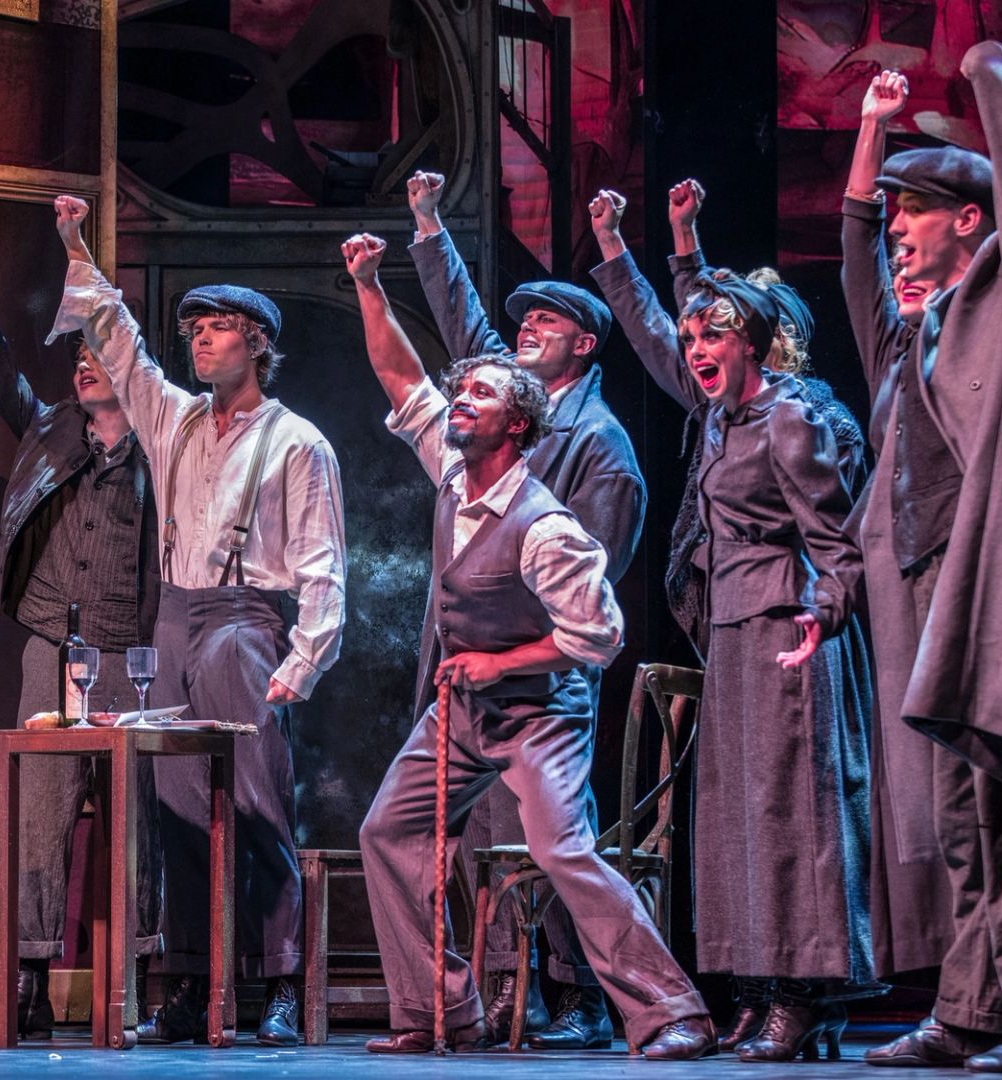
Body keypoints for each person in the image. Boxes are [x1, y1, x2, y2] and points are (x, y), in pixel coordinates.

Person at [341, 232, 712, 1059]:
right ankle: (441, 1010)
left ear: (516, 423)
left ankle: (673, 1011)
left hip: (541, 711)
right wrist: (368, 284)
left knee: (561, 848)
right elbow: (400, 375)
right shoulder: (451, 471)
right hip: (464, 712)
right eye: (461, 391)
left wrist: (502, 663)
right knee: (387, 831)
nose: (459, 401)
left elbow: (598, 635)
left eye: (478, 394)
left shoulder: (545, 526)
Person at [842, 45, 1002, 1074]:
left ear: (969, 222)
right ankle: (970, 1009)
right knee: (959, 819)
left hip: (998, 589)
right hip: (925, 595)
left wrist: (993, 75)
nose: (897, 228)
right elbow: (859, 261)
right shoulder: (915, 339)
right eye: (893, 211)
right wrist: (868, 142)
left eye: (915, 210)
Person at [587, 187, 878, 1062]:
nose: (697, 351)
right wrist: (652, 244)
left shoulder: (794, 417)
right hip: (735, 629)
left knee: (795, 816)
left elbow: (839, 540)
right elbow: (665, 326)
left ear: (756, 340)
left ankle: (805, 995)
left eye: (716, 337)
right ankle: (754, 988)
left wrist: (822, 616)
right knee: (738, 818)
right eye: (695, 341)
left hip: (791, 628)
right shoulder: (721, 412)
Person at [49, 196, 346, 1047]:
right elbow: (118, 338)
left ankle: (279, 979)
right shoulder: (173, 417)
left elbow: (323, 562)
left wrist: (303, 659)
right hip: (175, 618)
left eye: (219, 329)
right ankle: (189, 981)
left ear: (257, 343)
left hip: (246, 622)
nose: (202, 342)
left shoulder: (297, 441)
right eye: (196, 331)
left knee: (255, 800)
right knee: (176, 806)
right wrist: (74, 242)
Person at [402, 170, 644, 1049]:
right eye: (524, 319)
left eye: (547, 321)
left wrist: (523, 648)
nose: (526, 328)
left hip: (542, 672)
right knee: (475, 834)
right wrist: (429, 229)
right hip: (471, 660)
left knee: (548, 837)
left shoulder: (601, 443)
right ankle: (507, 991)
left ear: (584, 345)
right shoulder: (501, 414)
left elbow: (594, 583)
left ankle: (579, 997)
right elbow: (466, 328)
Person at [0, 230, 161, 1040]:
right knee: (37, 815)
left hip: (133, 654)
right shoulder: (47, 429)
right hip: (54, 647)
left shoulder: (161, 445)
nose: (84, 366)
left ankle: (135, 988)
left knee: (135, 821)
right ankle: (27, 987)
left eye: (99, 355)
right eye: (77, 357)